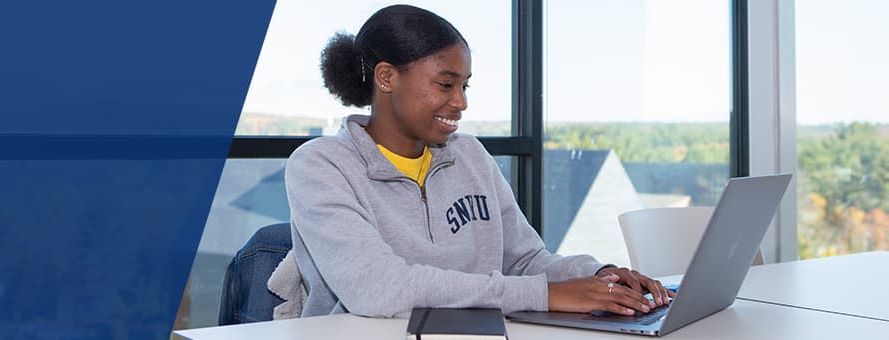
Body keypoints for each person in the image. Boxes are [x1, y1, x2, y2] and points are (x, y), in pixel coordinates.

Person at [285, 4, 675, 318]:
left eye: (465, 85)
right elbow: (377, 288)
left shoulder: (469, 155)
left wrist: (596, 277)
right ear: (387, 77)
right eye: (445, 84)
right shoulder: (320, 166)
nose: (461, 102)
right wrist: (546, 294)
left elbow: (525, 260)